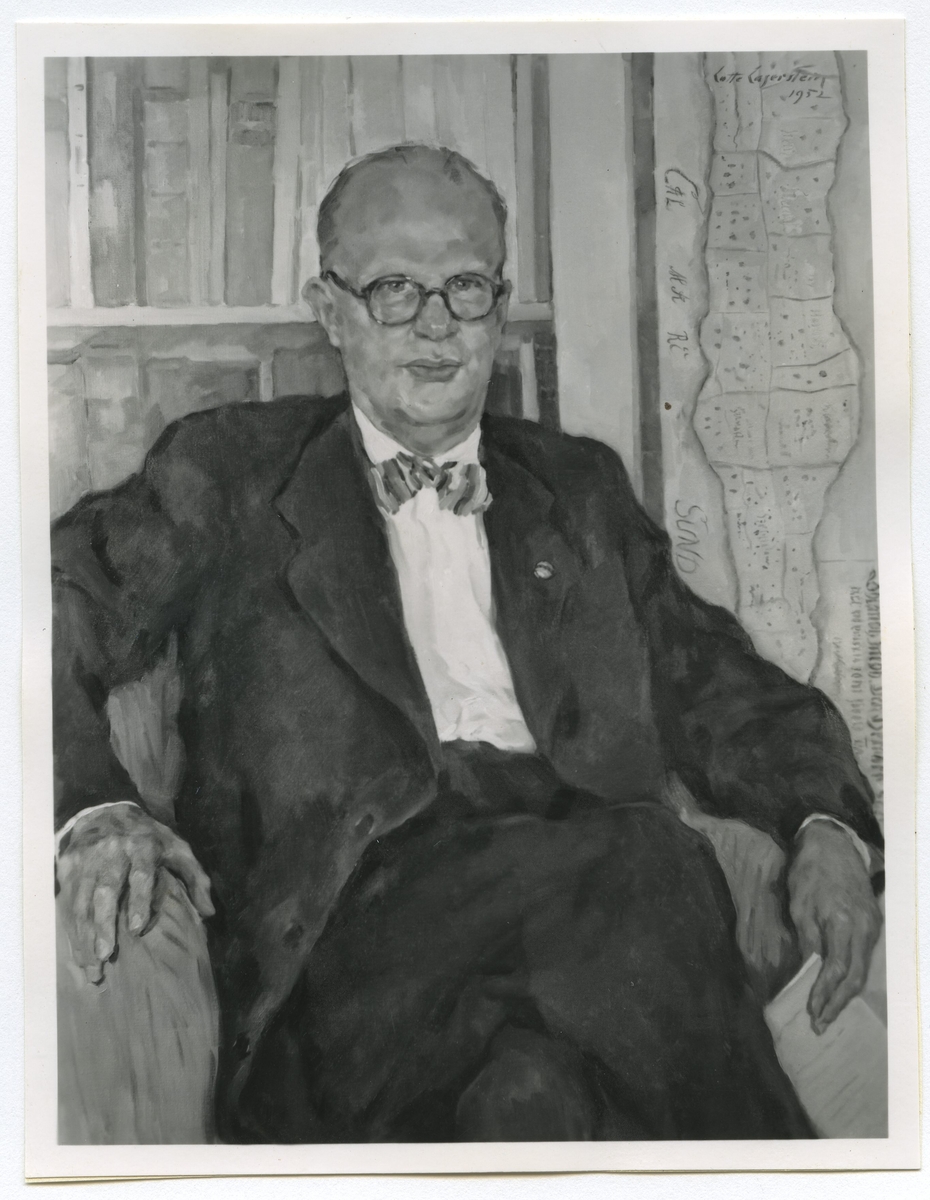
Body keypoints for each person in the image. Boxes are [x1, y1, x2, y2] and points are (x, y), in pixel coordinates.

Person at [53, 143, 883, 1143]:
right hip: (347, 948)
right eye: (395, 290)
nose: (437, 324)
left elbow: (720, 686)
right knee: (650, 861)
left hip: (572, 949)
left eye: (466, 288)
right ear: (330, 311)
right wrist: (94, 807)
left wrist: (826, 823)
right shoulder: (227, 472)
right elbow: (41, 609)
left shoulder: (579, 489)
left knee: (531, 1101)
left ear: (500, 304)